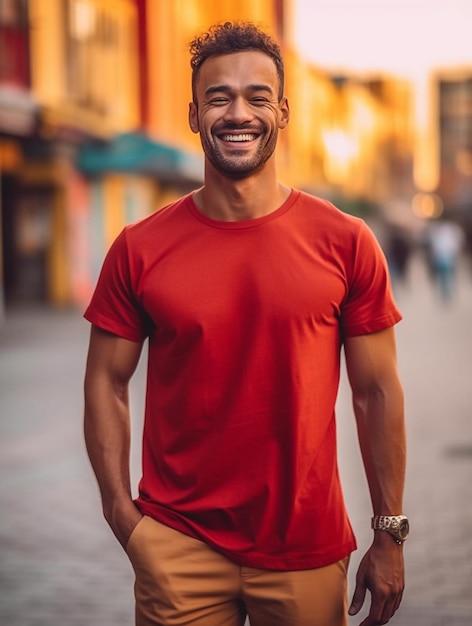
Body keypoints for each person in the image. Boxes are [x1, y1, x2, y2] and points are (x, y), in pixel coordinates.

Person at [83, 21, 407, 626]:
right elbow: (105, 382)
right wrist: (122, 518)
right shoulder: (139, 248)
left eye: (257, 97)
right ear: (193, 114)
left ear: (282, 112)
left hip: (305, 548)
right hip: (176, 543)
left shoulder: (346, 241)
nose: (238, 113)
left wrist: (389, 532)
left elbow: (376, 392)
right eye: (218, 97)